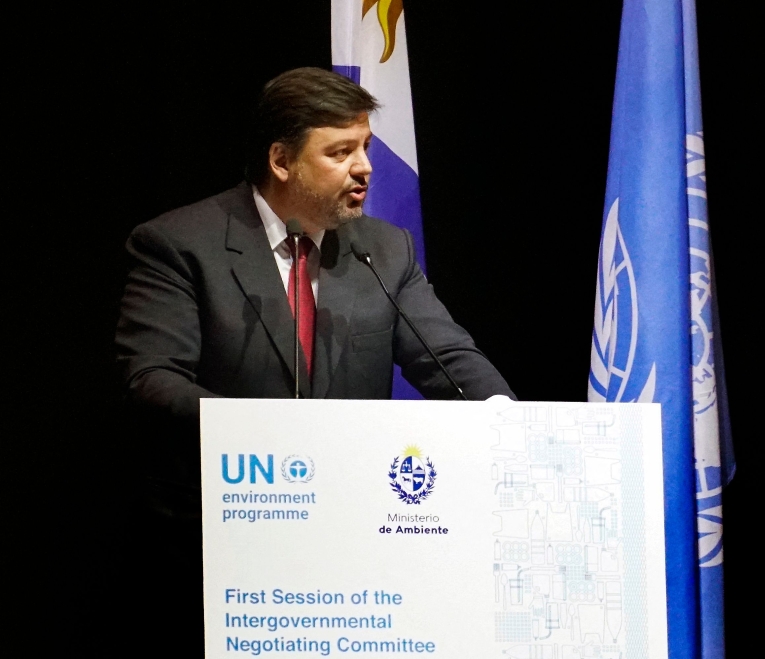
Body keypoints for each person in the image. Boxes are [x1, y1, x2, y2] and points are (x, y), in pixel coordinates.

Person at [115, 68, 513, 654]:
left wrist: (509, 422)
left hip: (352, 535)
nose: (365, 168)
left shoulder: (385, 250)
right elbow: (151, 376)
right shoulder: (180, 244)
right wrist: (261, 436)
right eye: (341, 151)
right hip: (222, 540)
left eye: (366, 148)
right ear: (281, 160)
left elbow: (446, 356)